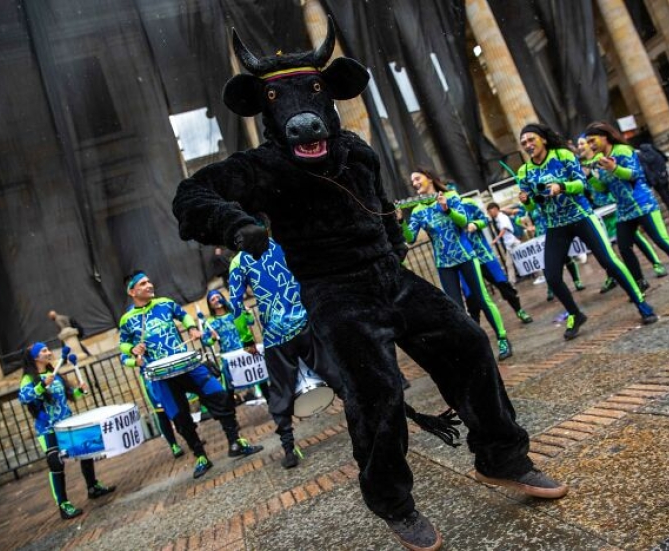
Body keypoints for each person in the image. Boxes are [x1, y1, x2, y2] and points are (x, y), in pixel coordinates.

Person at [173, 25, 567, 550]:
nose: (302, 114)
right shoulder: (260, 166)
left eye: (312, 94)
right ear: (263, 110)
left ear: (329, 94)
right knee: (376, 391)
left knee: (468, 343)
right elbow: (191, 195)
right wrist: (234, 225)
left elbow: (382, 206)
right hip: (333, 291)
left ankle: (503, 457)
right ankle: (394, 504)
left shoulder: (357, 151)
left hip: (388, 275)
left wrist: (394, 244)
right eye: (280, 100)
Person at [516, 123, 658, 340]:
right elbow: (532, 207)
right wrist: (526, 201)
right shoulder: (524, 172)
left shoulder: (562, 155)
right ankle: (575, 314)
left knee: (609, 261)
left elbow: (581, 184)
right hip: (556, 225)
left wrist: (561, 187)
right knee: (552, 276)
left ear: (543, 139)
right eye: (524, 142)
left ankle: (641, 302)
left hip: (581, 216)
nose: (527, 145)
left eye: (531, 139)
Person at [118, 270, 263, 479]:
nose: (149, 285)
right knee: (180, 417)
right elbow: (123, 343)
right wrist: (132, 351)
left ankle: (236, 442)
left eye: (149, 281)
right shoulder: (127, 320)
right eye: (142, 284)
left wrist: (193, 328)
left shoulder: (165, 303)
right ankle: (200, 456)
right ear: (132, 291)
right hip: (162, 375)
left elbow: (183, 315)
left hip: (187, 365)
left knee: (220, 396)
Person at [227, 238, 347, 468]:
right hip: (304, 322)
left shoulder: (239, 261)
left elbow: (236, 303)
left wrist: (246, 337)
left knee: (281, 392)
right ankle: (360, 419)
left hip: (276, 336)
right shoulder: (281, 242)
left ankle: (289, 448)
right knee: (334, 372)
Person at [400, 167, 513, 361]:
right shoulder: (418, 210)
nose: (415, 183)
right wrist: (401, 221)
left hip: (466, 257)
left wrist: (447, 209)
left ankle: (502, 338)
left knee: (482, 299)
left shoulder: (450, 196)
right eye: (413, 182)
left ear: (429, 178)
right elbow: (410, 239)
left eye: (417, 179)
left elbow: (464, 222)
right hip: (444, 265)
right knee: (455, 310)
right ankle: (470, 348)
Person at [585, 122, 669, 294]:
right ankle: (639, 282)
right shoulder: (597, 160)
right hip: (624, 209)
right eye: (588, 142)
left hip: (642, 203)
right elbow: (603, 188)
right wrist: (592, 178)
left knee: (661, 239)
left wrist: (614, 167)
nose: (590, 145)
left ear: (604, 136)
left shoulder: (622, 151)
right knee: (624, 247)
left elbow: (634, 174)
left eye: (592, 140)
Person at [18, 343, 115, 520]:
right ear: (34, 357)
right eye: (44, 351)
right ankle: (63, 504)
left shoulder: (55, 374)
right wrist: (41, 386)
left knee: (85, 451)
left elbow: (68, 397)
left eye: (48, 350)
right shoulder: (28, 379)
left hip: (67, 422)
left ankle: (93, 487)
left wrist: (80, 391)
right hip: (47, 429)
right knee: (56, 463)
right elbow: (24, 398)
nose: (48, 353)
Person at [464, 200, 533, 325]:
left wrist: (475, 224)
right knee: (471, 296)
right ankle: (476, 328)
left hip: (483, 255)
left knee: (502, 283)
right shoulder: (437, 211)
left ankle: (519, 310)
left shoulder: (467, 204)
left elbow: (484, 219)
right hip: (464, 260)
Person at [201, 289, 269, 405]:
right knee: (229, 385)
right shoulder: (209, 322)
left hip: (245, 349)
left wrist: (247, 312)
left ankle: (271, 403)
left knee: (259, 377)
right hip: (229, 355)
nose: (216, 300)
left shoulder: (235, 312)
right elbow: (206, 342)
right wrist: (212, 338)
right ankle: (231, 417)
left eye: (218, 297)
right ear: (210, 305)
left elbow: (251, 322)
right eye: (213, 299)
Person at [637, 142, 669, 221]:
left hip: (656, 181)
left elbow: (646, 170)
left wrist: (651, 182)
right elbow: (664, 160)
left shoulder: (642, 157)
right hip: (663, 176)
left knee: (665, 198)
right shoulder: (655, 152)